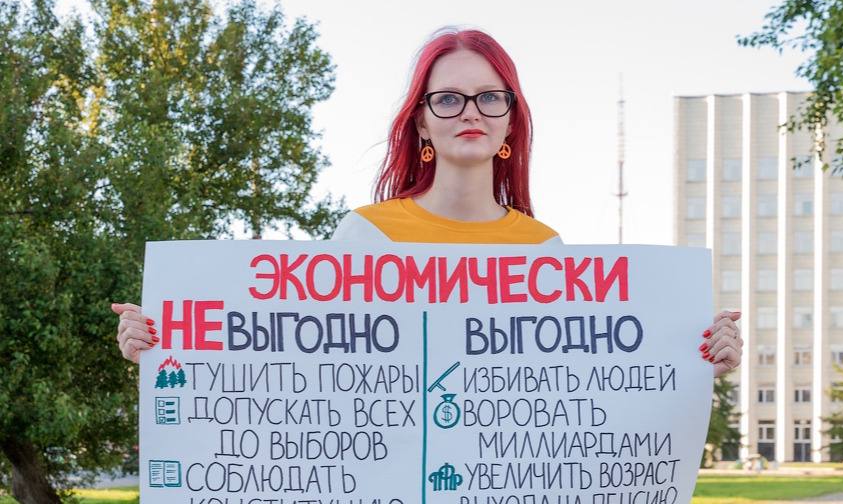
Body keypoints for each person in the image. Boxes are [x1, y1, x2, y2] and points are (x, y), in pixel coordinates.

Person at [113, 27, 743, 376]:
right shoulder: (366, 236)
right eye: (448, 98)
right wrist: (162, 339)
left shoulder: (544, 249)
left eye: (490, 97)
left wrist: (693, 364)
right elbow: (299, 364)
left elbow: (580, 384)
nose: (471, 112)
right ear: (420, 122)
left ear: (510, 119)